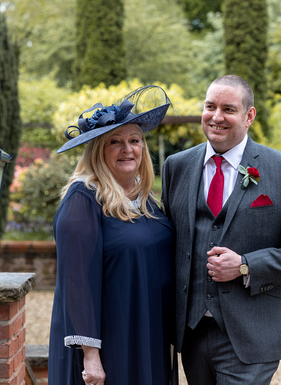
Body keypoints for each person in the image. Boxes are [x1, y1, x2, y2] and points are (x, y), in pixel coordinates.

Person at [161, 75, 281, 384]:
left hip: (252, 333)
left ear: (249, 116)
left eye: (228, 109)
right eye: (210, 107)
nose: (216, 117)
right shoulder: (176, 166)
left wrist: (246, 265)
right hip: (191, 333)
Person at [48, 85, 175, 385]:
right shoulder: (83, 199)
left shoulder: (148, 201)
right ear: (97, 150)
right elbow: (76, 281)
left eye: (134, 140)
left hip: (147, 333)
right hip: (108, 343)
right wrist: (91, 355)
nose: (127, 149)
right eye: (114, 142)